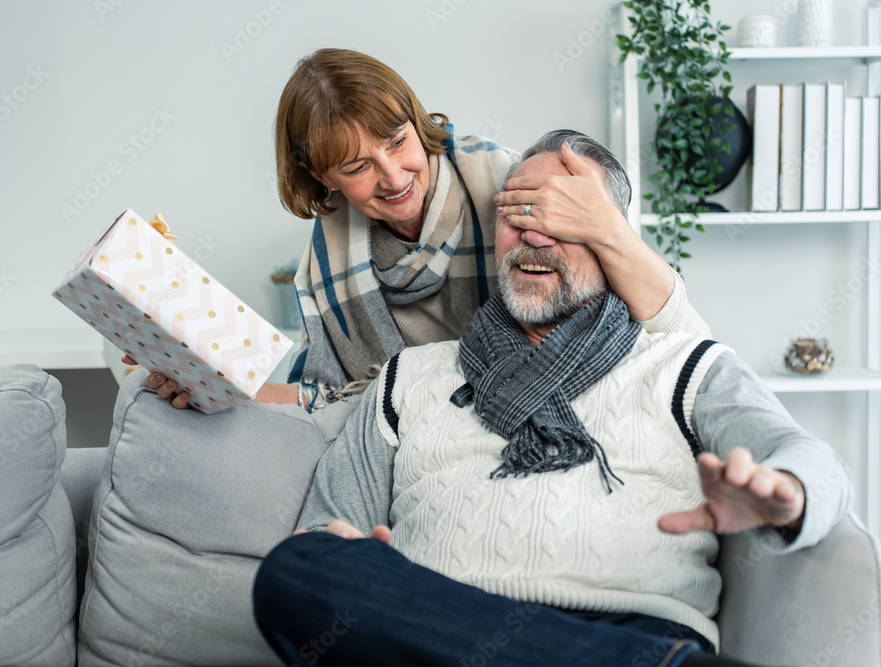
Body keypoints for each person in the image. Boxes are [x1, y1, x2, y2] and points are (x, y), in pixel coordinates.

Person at [250, 130, 854, 667]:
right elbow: (318, 539)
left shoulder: (683, 363)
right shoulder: (408, 378)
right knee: (295, 573)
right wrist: (372, 573)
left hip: (628, 629)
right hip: (438, 628)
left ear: (613, 236)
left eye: (565, 215)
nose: (535, 232)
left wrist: (788, 496)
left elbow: (813, 463)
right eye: (518, 211)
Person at [134, 48, 709, 412]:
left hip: (540, 398)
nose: (392, 177)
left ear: (416, 117)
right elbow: (338, 403)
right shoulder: (328, 259)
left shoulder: (509, 185)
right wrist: (224, 392)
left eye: (398, 141)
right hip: (415, 431)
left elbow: (662, 329)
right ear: (320, 177)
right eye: (357, 168)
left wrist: (609, 226)